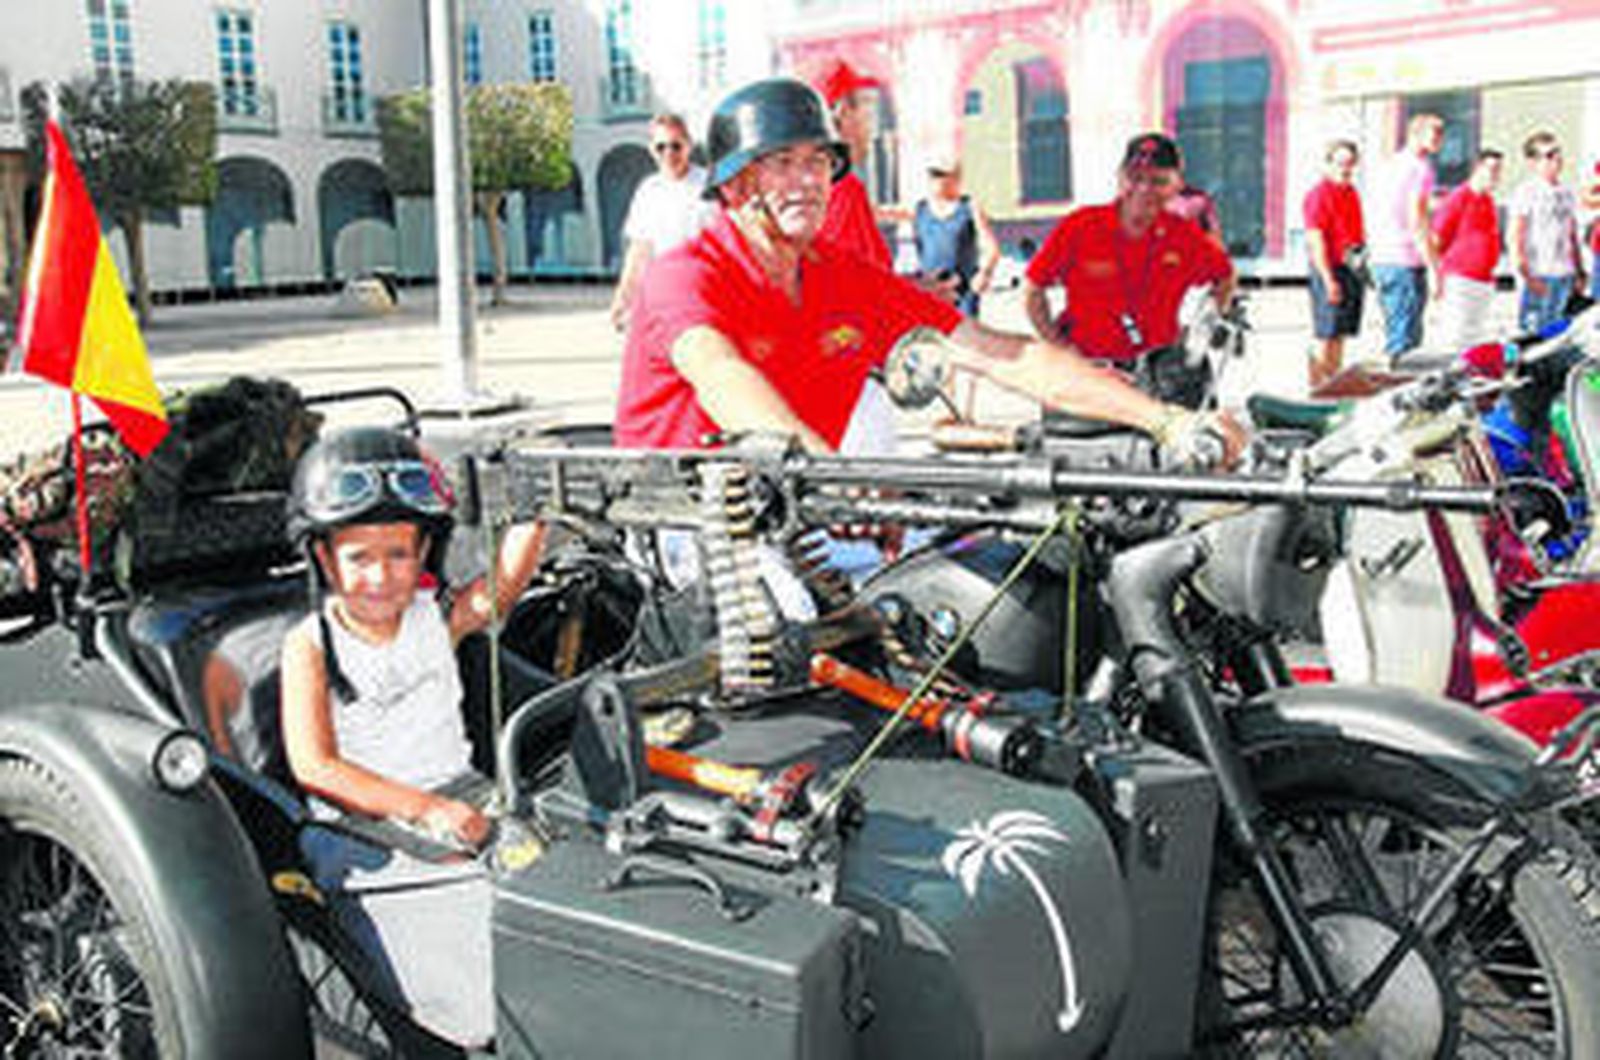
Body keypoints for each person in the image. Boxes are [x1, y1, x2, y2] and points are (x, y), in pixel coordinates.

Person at [615, 78, 1243, 465]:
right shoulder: (686, 274)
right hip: (686, 523)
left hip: (792, 507)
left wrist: (1167, 421)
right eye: (781, 163)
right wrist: (825, 479)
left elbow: (1004, 356)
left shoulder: (841, 274)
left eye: (818, 162)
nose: (807, 181)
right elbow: (721, 374)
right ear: (734, 184)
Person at [279, 426, 547, 1049]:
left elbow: (502, 589)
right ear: (324, 557)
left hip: (467, 798)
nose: (381, 576)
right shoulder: (310, 645)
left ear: (425, 550)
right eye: (359, 558)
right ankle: (484, 1029)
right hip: (361, 830)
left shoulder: (434, 619)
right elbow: (315, 766)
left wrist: (535, 512)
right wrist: (426, 809)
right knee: (478, 905)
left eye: (399, 555)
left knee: (556, 871)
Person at [1021, 132, 1237, 407]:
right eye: (1136, 178)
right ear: (1121, 178)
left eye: (1158, 180)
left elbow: (1225, 277)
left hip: (1159, 379)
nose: (1144, 189)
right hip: (1088, 372)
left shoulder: (1185, 236)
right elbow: (1032, 289)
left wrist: (1199, 330)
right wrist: (1059, 347)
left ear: (1176, 185)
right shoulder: (1080, 226)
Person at [608, 113, 716, 331]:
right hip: (665, 292)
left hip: (705, 291)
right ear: (651, 150)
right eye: (661, 147)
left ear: (689, 145)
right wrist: (622, 297)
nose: (669, 153)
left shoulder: (710, 185)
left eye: (676, 146)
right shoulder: (648, 190)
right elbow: (639, 250)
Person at [1368, 113, 1443, 359]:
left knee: (1396, 330)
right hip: (1405, 260)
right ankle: (1395, 392)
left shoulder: (1390, 165)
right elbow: (1416, 220)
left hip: (1383, 258)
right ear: (1415, 134)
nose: (1440, 139)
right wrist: (1433, 266)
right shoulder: (1420, 169)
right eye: (1435, 132)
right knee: (1406, 342)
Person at [811, 58, 893, 270]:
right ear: (843, 113)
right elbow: (849, 285)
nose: (870, 121)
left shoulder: (815, 183)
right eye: (864, 105)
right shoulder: (842, 188)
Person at [1303, 139, 1366, 388]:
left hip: (1350, 268)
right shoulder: (1318, 196)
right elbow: (1316, 241)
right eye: (1340, 163)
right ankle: (1317, 387)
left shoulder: (1351, 193)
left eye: (1350, 163)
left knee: (1340, 334)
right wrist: (1328, 279)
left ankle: (1333, 382)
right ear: (1328, 164)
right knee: (1325, 335)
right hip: (1329, 269)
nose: (1346, 169)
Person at [1509, 131, 1585, 333]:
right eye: (1550, 155)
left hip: (1564, 274)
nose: (1557, 159)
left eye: (1558, 153)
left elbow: (1572, 233)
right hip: (1539, 273)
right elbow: (1516, 235)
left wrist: (1579, 271)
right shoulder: (1526, 192)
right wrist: (1526, 274)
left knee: (1560, 332)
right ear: (1533, 162)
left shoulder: (1566, 192)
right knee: (1534, 333)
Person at [909, 152, 1000, 318]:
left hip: (962, 292)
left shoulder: (969, 207)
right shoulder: (920, 209)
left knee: (965, 340)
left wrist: (985, 273)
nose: (936, 180)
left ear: (956, 178)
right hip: (930, 291)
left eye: (941, 175)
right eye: (933, 175)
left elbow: (991, 247)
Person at [1433, 149, 1505, 351]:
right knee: (1455, 336)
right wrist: (1437, 274)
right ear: (1477, 169)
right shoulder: (1458, 198)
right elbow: (1437, 239)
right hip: (1460, 279)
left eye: (1498, 170)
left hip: (1484, 279)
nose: (1495, 175)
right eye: (1491, 169)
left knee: (1475, 338)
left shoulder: (1488, 201)